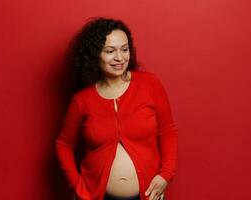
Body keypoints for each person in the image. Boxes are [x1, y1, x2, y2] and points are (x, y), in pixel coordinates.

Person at [55, 17, 178, 200]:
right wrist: (77, 185)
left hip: (148, 195)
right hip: (96, 196)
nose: (120, 58)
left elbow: (168, 131)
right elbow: (64, 145)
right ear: (95, 54)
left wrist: (165, 175)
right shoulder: (82, 100)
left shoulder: (149, 84)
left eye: (125, 49)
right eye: (110, 51)